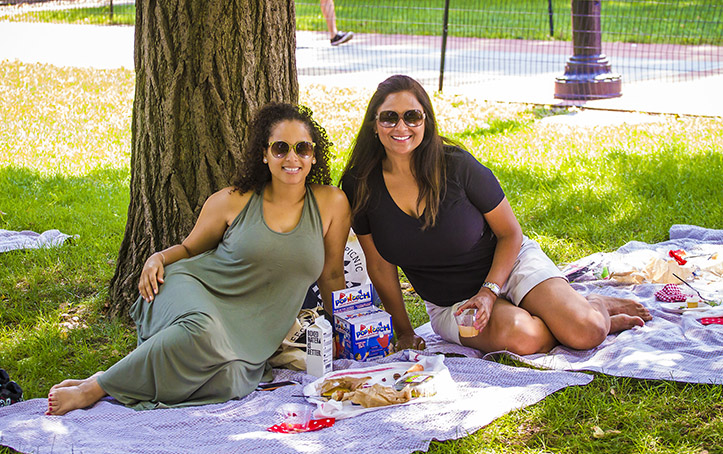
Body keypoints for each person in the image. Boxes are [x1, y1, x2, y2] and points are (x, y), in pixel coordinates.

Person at [46, 103, 351, 415]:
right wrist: (156, 258)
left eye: (302, 148)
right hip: (195, 288)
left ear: (313, 155)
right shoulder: (232, 201)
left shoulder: (331, 203)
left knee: (233, 381)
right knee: (200, 331)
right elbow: (190, 250)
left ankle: (113, 378)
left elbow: (331, 275)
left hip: (252, 328)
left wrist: (343, 331)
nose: (292, 158)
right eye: (280, 148)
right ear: (264, 154)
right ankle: (95, 388)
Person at [340, 75, 651, 355]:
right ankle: (553, 313)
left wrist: (490, 293)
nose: (401, 127)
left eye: (412, 116)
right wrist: (405, 331)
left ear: (426, 121)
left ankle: (595, 305)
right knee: (527, 338)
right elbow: (380, 265)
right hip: (452, 304)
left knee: (587, 331)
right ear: (373, 124)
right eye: (389, 118)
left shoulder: (457, 165)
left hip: (510, 265)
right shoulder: (361, 184)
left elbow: (510, 233)